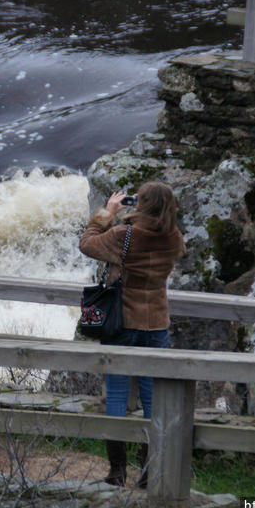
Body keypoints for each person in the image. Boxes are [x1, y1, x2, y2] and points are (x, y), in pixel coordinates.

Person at [78, 182, 185, 488]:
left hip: (122, 322)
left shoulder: (124, 236)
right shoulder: (174, 238)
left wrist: (108, 212)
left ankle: (117, 472)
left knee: (116, 395)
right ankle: (151, 474)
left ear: (142, 204)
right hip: (157, 324)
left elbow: (87, 243)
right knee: (153, 400)